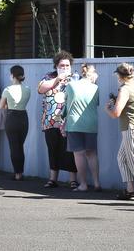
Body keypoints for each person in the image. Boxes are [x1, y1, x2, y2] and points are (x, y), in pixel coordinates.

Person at [104, 63, 134, 201]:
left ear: (119, 76)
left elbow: (116, 113)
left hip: (131, 128)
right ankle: (130, 190)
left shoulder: (125, 89)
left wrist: (107, 108)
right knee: (122, 158)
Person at [38, 50, 78, 189]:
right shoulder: (49, 77)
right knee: (53, 150)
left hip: (69, 122)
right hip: (50, 121)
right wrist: (57, 80)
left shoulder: (75, 78)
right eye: (62, 65)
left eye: (67, 65)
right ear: (56, 66)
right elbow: (41, 89)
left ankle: (73, 180)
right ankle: (53, 179)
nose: (65, 68)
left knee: (70, 151)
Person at [65, 63, 101, 192]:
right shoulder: (95, 88)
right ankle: (97, 183)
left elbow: (66, 105)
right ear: (92, 74)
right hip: (91, 123)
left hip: (74, 123)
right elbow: (95, 104)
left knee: (79, 154)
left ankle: (83, 184)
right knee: (92, 153)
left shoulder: (71, 86)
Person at [0, 65, 31, 181]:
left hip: (11, 117)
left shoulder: (7, 90)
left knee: (14, 147)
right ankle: (21, 172)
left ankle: (17, 173)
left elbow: (1, 106)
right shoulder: (27, 89)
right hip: (23, 117)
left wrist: (9, 104)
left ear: (12, 75)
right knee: (20, 146)